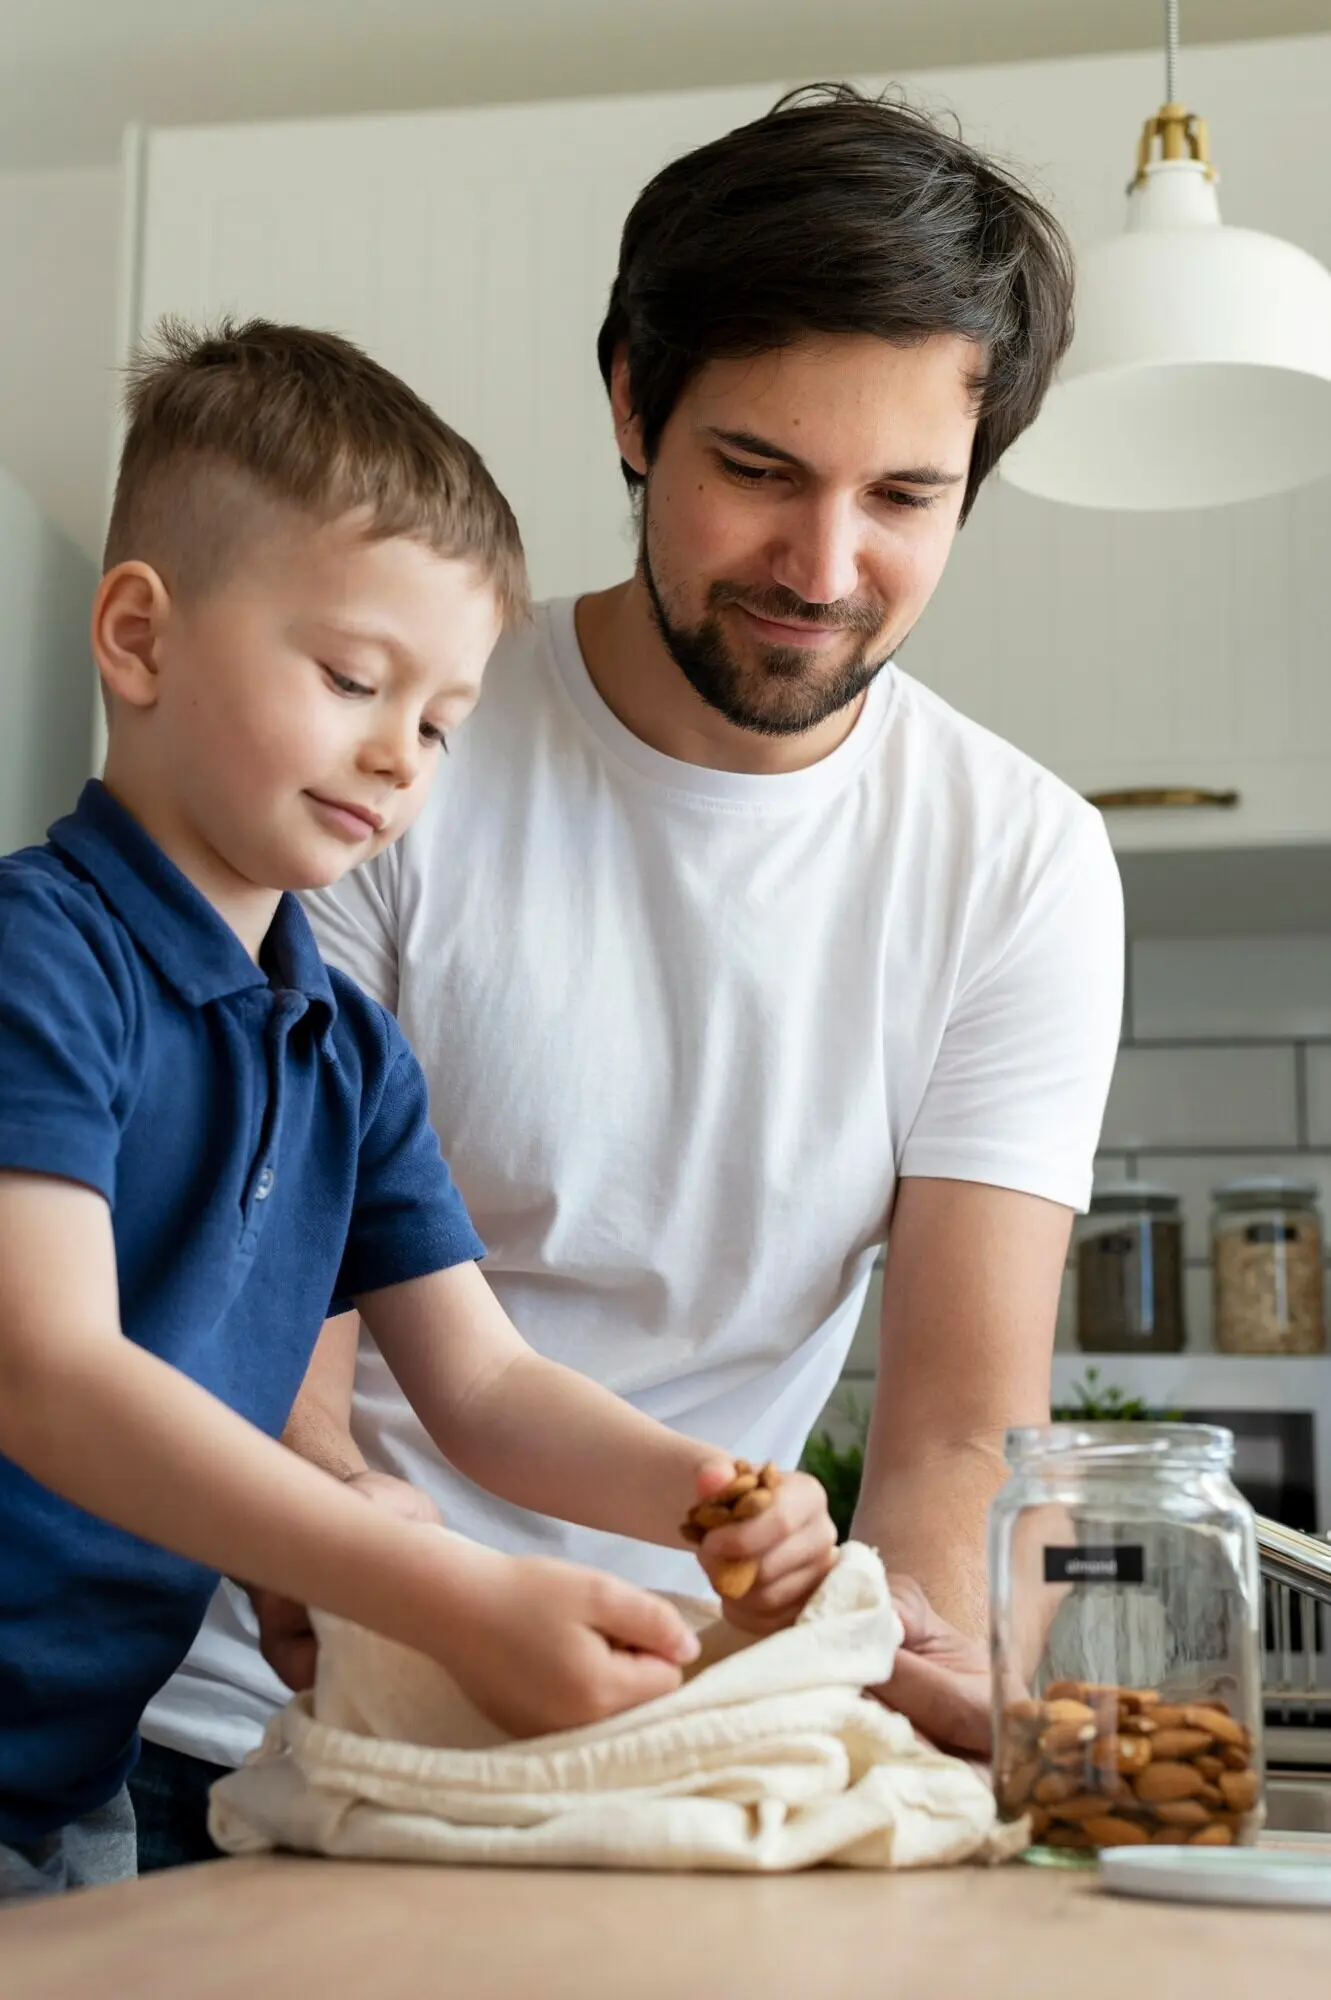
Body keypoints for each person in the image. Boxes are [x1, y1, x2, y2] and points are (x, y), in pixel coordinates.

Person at [138, 83, 1125, 1865]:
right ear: (630, 405)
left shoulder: (1018, 862)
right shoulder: (387, 753)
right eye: (758, 471)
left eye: (903, 496)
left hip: (696, 1729)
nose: (822, 568)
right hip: (270, 1712)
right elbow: (286, 1306)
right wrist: (362, 1558)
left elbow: (958, 1426)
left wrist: (920, 1658)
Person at [0, 319, 836, 1903]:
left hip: (68, 1774)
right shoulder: (37, 958)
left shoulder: (348, 1054)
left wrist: (709, 1493)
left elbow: (487, 1385)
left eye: (442, 721)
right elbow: (47, 1373)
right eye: (350, 680)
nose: (398, 755)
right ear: (138, 636)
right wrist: (442, 1592)